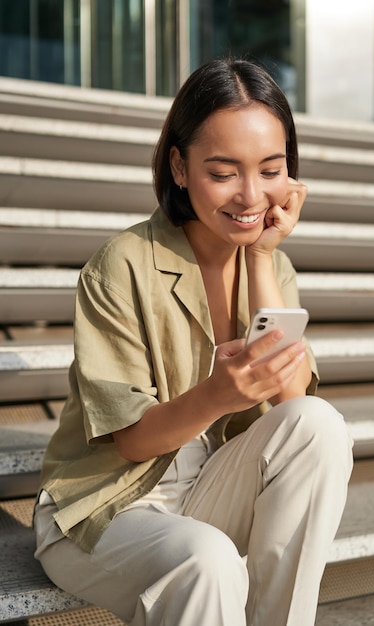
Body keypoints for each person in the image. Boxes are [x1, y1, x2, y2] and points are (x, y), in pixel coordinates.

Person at [34, 58, 353, 626]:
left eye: (271, 169)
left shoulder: (271, 264)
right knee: (208, 562)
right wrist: (217, 394)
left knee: (319, 423)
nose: (251, 195)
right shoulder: (122, 264)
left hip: (205, 490)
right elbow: (131, 443)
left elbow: (291, 401)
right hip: (110, 506)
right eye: (224, 172)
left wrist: (258, 257)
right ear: (179, 168)